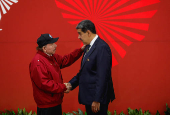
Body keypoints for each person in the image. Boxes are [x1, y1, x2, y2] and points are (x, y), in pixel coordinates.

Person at [67, 20, 115, 115]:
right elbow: (84, 72)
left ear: (88, 32)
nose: (78, 37)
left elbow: (103, 76)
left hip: (96, 101)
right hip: (90, 98)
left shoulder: (102, 47)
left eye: (80, 34)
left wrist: (97, 99)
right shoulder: (89, 47)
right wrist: (70, 84)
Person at [29, 33, 85, 115]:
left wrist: (80, 50)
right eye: (52, 44)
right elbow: (45, 83)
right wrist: (63, 87)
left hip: (55, 103)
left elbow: (65, 60)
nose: (55, 46)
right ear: (44, 48)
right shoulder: (38, 62)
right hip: (47, 107)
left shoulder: (51, 57)